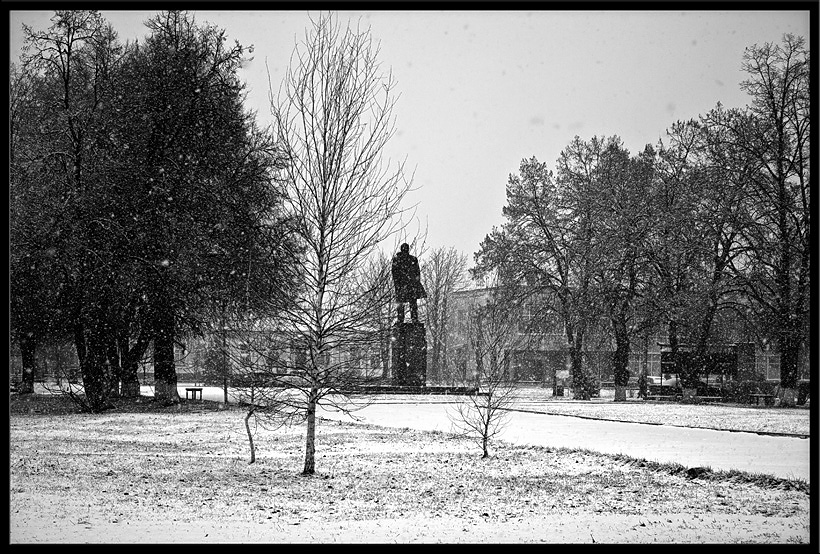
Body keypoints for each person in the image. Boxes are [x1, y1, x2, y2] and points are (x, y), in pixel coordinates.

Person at [391, 243, 426, 323]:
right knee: (406, 303)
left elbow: (417, 273)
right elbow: (395, 274)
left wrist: (415, 283)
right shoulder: (399, 259)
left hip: (407, 285)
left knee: (408, 303)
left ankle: (409, 319)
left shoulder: (410, 259)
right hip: (406, 285)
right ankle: (408, 319)